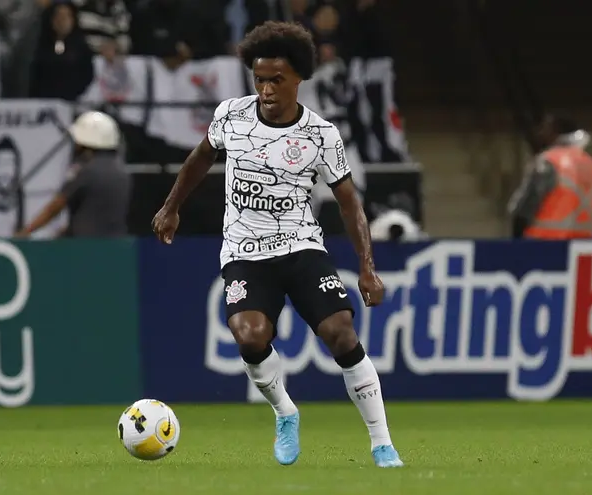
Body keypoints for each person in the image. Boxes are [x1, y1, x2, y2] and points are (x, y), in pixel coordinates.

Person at [151, 21, 403, 468]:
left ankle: (382, 443)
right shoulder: (232, 115)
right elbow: (200, 158)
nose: (266, 89)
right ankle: (285, 412)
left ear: (298, 79)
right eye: (260, 79)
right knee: (249, 335)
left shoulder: (321, 135)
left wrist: (367, 266)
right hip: (245, 251)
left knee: (340, 332)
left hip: (301, 246)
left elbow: (350, 203)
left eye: (276, 80)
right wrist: (172, 207)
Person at [17, 110, 132, 237]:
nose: (75, 145)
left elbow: (55, 207)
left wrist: (25, 232)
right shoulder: (122, 172)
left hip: (86, 247)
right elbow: (96, 213)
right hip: (117, 244)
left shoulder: (86, 171)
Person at [508, 114, 592, 239]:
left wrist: (517, 238)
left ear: (556, 132)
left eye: (545, 128)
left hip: (545, 242)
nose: (540, 133)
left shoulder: (549, 161)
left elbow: (528, 203)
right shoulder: (590, 163)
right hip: (582, 242)